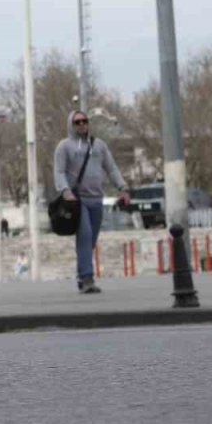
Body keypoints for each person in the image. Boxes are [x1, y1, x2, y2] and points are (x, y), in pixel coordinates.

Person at [54, 110, 130, 294]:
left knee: (91, 239)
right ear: (71, 125)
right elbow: (59, 171)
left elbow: (111, 168)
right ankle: (87, 278)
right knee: (85, 235)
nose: (81, 125)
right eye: (77, 122)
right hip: (77, 200)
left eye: (84, 121)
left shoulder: (99, 145)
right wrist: (65, 191)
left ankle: (82, 274)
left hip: (96, 199)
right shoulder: (64, 147)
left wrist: (123, 188)